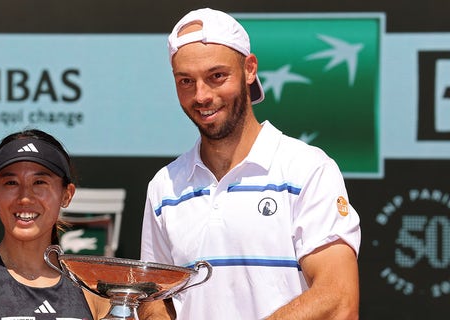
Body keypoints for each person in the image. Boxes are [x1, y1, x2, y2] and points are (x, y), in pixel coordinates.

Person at [140, 8, 361, 320]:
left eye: (217, 76)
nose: (201, 95)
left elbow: (339, 299)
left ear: (249, 69)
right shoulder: (164, 186)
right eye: (186, 80)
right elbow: (155, 297)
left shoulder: (308, 169)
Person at [0, 129, 111, 319]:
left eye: (39, 182)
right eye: (11, 183)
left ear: (67, 195)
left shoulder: (92, 288)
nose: (25, 197)